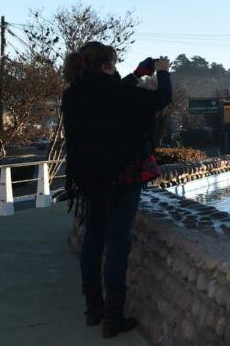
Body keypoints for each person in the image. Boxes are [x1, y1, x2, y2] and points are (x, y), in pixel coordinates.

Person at [61, 42, 172, 338]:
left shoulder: (72, 95)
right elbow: (161, 98)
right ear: (108, 65)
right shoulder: (120, 93)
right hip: (123, 180)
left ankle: (93, 310)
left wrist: (137, 73)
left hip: (88, 182)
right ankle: (113, 317)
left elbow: (107, 94)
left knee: (92, 242)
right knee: (117, 245)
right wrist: (162, 72)